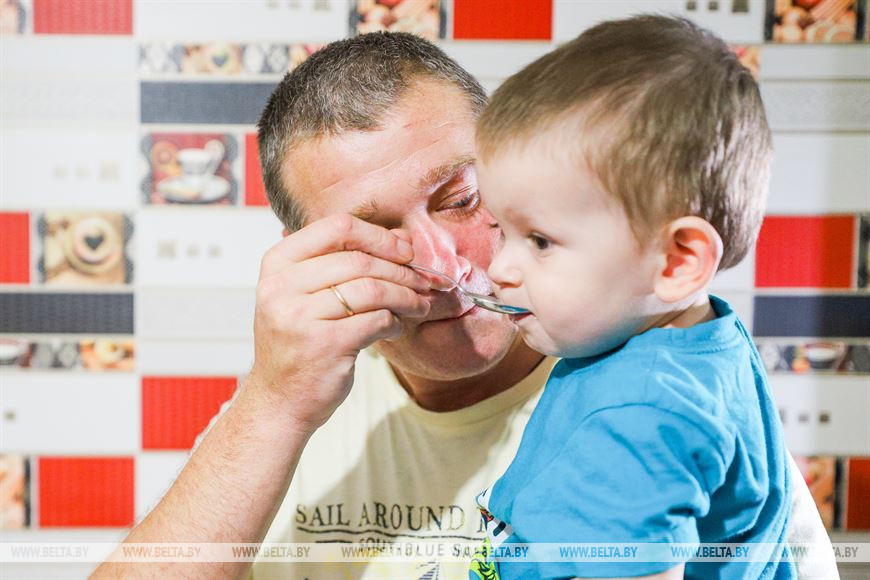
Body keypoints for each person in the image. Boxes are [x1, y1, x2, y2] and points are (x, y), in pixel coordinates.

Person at [91, 31, 836, 580]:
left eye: (462, 199)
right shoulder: (286, 407)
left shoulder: (663, 401)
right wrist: (275, 405)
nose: (444, 266)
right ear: (311, 255)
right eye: (377, 233)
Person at [468, 15, 798, 580]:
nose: (499, 269)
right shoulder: (697, 342)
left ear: (677, 262)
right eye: (502, 230)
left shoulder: (642, 415)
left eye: (540, 240)